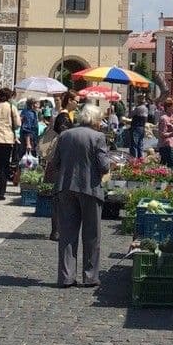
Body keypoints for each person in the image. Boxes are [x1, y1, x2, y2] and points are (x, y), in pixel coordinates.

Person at [47, 103, 112, 288]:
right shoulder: (98, 137)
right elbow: (104, 166)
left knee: (67, 234)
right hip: (89, 189)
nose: (100, 123)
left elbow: (56, 162)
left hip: (66, 187)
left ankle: (66, 277)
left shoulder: (65, 135)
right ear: (94, 119)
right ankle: (90, 276)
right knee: (91, 234)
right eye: (99, 119)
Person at [157, 98, 173, 169]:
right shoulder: (164, 119)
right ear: (167, 107)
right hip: (165, 146)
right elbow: (162, 134)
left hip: (172, 145)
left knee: (164, 168)